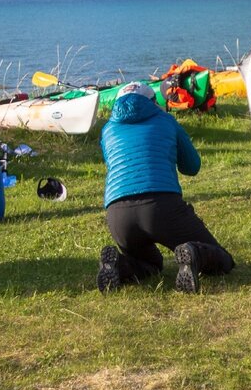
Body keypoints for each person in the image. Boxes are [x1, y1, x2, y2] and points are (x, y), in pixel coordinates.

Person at [97, 82, 235, 293]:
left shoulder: (108, 130)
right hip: (161, 207)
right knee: (223, 260)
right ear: (153, 102)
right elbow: (192, 166)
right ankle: (194, 253)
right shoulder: (166, 121)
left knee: (149, 265)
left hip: (118, 214)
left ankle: (119, 265)